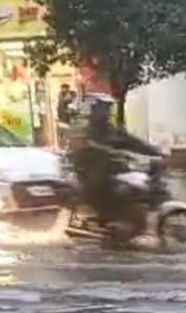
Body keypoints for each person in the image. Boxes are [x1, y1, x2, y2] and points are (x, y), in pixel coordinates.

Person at [69, 95, 161, 228]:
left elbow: (129, 141)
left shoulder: (108, 128)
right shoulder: (84, 128)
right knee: (117, 188)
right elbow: (81, 146)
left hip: (110, 168)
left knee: (137, 184)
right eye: (105, 109)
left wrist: (155, 151)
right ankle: (114, 218)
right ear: (95, 109)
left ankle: (131, 218)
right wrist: (112, 154)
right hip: (91, 172)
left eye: (109, 109)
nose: (108, 113)